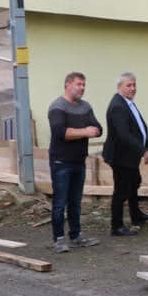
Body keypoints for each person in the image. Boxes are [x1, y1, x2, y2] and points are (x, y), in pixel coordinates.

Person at [48, 71, 103, 252]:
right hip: (61, 162)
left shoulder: (85, 106)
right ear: (67, 85)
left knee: (75, 201)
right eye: (79, 84)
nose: (82, 88)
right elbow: (60, 132)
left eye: (83, 85)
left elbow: (98, 128)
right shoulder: (57, 107)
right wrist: (85, 131)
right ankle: (59, 239)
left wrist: (89, 130)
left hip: (79, 161)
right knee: (60, 201)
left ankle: (76, 235)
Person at [102, 72, 148, 237]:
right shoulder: (118, 106)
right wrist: (143, 150)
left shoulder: (127, 103)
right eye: (128, 85)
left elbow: (140, 128)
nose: (133, 88)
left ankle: (136, 216)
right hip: (120, 156)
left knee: (134, 184)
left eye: (134, 85)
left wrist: (145, 146)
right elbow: (124, 134)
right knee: (122, 190)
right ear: (119, 87)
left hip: (129, 155)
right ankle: (116, 226)